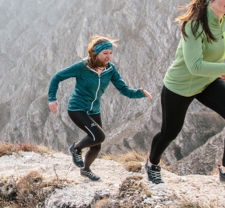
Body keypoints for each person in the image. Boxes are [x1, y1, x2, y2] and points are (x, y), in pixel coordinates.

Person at [147, 0, 225, 189]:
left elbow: (215, 51)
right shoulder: (193, 26)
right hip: (180, 85)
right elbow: (194, 66)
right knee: (170, 131)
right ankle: (152, 164)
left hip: (207, 81)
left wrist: (218, 68)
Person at [48, 36, 152, 181]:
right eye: (105, 53)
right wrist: (52, 98)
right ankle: (76, 148)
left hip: (94, 110)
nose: (108, 56)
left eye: (111, 52)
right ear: (95, 53)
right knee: (99, 136)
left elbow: (124, 89)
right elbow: (57, 77)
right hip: (77, 108)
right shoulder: (82, 67)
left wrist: (139, 93)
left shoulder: (110, 69)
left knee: (96, 145)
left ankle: (85, 169)